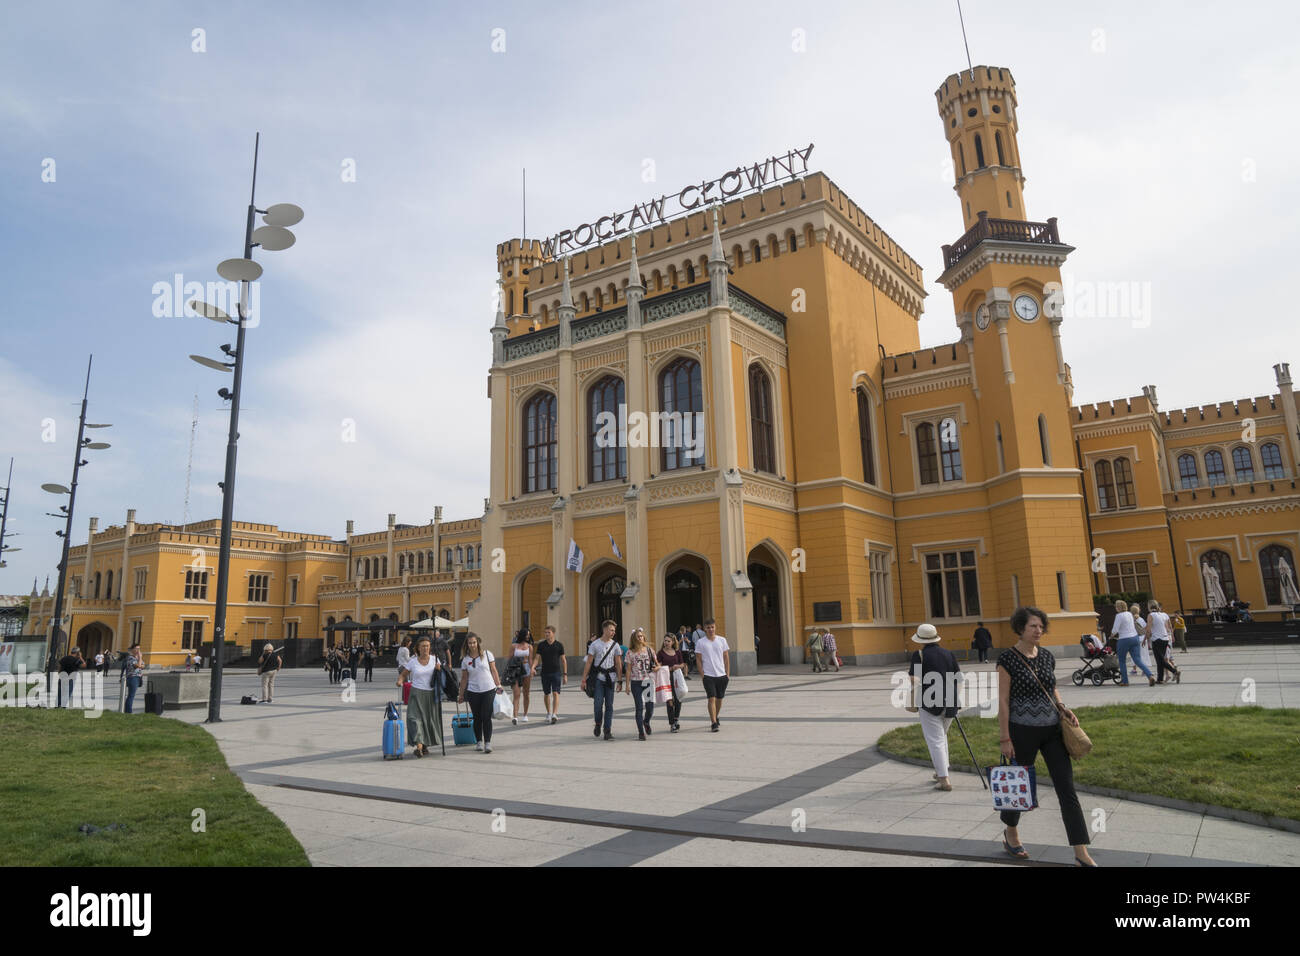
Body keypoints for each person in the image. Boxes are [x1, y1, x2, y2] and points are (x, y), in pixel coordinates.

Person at [996, 606, 1095, 866]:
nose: (1039, 630)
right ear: (1020, 628)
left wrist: (1063, 708)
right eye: (1033, 626)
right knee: (1019, 787)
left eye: (1041, 626)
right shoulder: (1007, 659)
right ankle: (1011, 832)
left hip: (1052, 731)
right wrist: (1005, 738)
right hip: (1022, 731)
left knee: (1067, 790)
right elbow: (1003, 701)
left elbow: (1052, 690)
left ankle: (1080, 851)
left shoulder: (1047, 656)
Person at [909, 623, 961, 791]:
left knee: (935, 740)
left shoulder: (919, 655)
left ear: (920, 639)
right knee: (941, 736)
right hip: (951, 700)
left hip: (929, 701)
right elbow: (958, 678)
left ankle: (944, 778)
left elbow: (914, 679)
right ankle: (942, 770)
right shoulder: (948, 653)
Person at [457, 633, 504, 753]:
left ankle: (487, 742)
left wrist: (498, 685)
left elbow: (494, 670)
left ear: (478, 642)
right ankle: (479, 741)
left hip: (488, 689)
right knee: (477, 717)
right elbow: (464, 678)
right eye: (470, 643)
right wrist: (461, 694)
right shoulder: (465, 659)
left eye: (474, 642)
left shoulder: (487, 655)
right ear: (466, 644)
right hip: (473, 691)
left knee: (486, 716)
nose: (472, 645)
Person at [397, 636, 442, 756]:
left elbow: (442, 676)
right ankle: (419, 745)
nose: (425, 648)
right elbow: (403, 674)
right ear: (418, 648)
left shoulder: (435, 660)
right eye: (423, 646)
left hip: (430, 694)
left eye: (427, 646)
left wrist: (439, 670)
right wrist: (400, 681)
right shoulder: (413, 661)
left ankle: (423, 746)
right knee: (414, 719)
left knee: (427, 720)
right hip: (416, 694)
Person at [580, 620, 622, 740]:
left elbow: (618, 664)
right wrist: (583, 680)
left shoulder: (615, 645)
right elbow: (588, 662)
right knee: (598, 704)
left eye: (614, 630)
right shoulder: (595, 645)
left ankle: (607, 730)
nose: (613, 632)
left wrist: (620, 681)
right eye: (611, 629)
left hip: (611, 678)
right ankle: (598, 723)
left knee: (609, 705)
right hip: (598, 678)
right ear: (604, 630)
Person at [1109, 598, 1154, 686]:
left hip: (1124, 640)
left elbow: (1115, 629)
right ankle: (1150, 675)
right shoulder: (1129, 614)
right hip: (1134, 638)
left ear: (1118, 607)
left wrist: (1111, 636)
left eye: (1116, 606)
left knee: (1122, 661)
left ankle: (1125, 681)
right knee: (1137, 659)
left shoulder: (1119, 616)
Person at [696, 619, 730, 732]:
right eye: (708, 627)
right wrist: (703, 675)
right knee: (711, 698)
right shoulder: (701, 642)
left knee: (719, 699)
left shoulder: (722, 640)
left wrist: (727, 674)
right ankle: (714, 723)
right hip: (708, 676)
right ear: (704, 629)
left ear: (715, 627)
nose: (710, 629)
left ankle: (716, 716)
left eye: (712, 627)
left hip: (721, 675)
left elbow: (726, 657)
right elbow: (699, 660)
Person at [624, 627, 657, 740]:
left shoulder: (649, 650)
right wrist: (627, 685)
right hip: (636, 682)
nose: (640, 638)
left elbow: (657, 664)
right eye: (638, 636)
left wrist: (657, 668)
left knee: (650, 707)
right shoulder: (630, 652)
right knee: (639, 707)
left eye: (641, 636)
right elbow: (628, 670)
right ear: (634, 638)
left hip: (648, 681)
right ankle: (641, 732)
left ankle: (646, 721)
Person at [530, 624, 566, 724]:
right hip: (545, 673)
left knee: (555, 692)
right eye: (545, 633)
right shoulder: (541, 645)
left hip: (556, 673)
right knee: (546, 694)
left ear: (553, 633)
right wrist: (533, 667)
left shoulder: (559, 645)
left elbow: (563, 660)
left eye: (548, 632)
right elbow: (537, 658)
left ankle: (554, 714)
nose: (546, 634)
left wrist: (565, 674)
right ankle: (548, 713)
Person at [1145, 601, 1179, 684]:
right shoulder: (1164, 614)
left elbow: (1148, 628)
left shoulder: (1151, 615)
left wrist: (1146, 638)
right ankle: (1160, 679)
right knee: (1159, 660)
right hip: (1165, 639)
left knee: (1161, 660)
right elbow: (1169, 626)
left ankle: (1175, 671)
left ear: (1149, 607)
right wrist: (1172, 636)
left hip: (1157, 639)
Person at [657, 634, 686, 732]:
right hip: (666, 678)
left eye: (668, 641)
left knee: (678, 698)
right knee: (669, 700)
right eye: (665, 640)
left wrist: (677, 666)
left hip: (677, 677)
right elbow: (658, 667)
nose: (666, 643)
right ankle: (672, 723)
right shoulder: (660, 653)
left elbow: (682, 664)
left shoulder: (677, 652)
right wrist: (669, 669)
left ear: (673, 642)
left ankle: (676, 719)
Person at [508, 627, 534, 724]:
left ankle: (525, 714)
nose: (528, 636)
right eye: (526, 634)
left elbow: (531, 659)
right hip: (516, 669)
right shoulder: (514, 646)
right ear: (522, 635)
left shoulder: (530, 646)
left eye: (529, 634)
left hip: (526, 668)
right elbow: (509, 658)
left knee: (526, 693)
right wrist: (508, 671)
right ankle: (515, 716)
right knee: (516, 693)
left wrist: (532, 670)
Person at [123, 644, 144, 714]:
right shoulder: (130, 658)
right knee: (131, 695)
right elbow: (138, 665)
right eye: (136, 649)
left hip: (138, 677)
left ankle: (127, 711)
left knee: (131, 695)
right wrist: (140, 658)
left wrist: (140, 662)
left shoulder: (137, 658)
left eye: (139, 649)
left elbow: (143, 666)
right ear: (132, 650)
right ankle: (128, 712)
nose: (138, 651)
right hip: (133, 678)